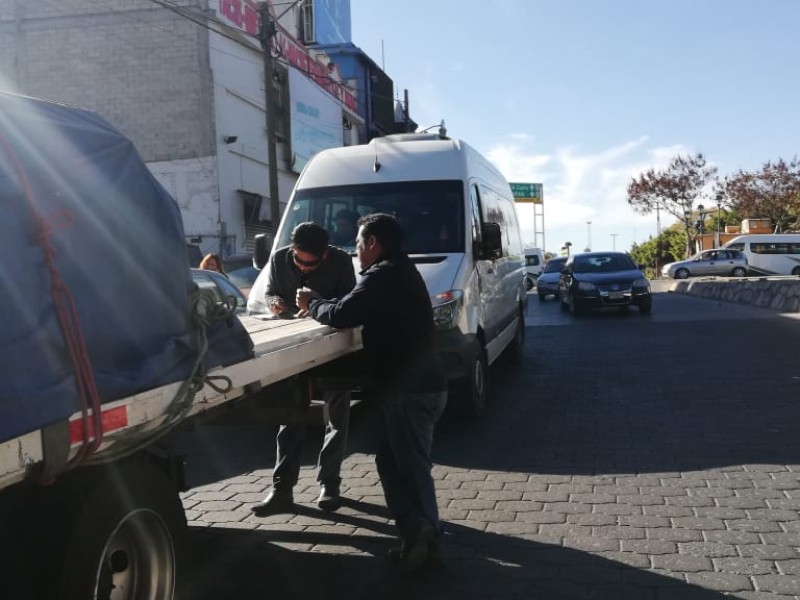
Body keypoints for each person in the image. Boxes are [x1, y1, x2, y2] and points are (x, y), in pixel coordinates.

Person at [297, 213, 448, 572]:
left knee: (410, 468)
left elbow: (343, 312)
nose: (357, 251)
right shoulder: (401, 271)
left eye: (360, 243)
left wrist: (312, 303)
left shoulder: (383, 275)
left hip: (412, 392)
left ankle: (427, 538)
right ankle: (416, 536)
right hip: (415, 388)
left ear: (373, 244)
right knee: (391, 462)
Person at [250, 222, 356, 515]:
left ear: (324, 256)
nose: (302, 266)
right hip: (294, 348)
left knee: (337, 415)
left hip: (334, 349)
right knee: (289, 415)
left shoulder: (342, 261)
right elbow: (270, 291)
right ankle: (282, 489)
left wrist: (316, 303)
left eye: (309, 263)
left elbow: (349, 304)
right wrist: (274, 302)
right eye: (298, 259)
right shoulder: (278, 258)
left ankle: (329, 483)